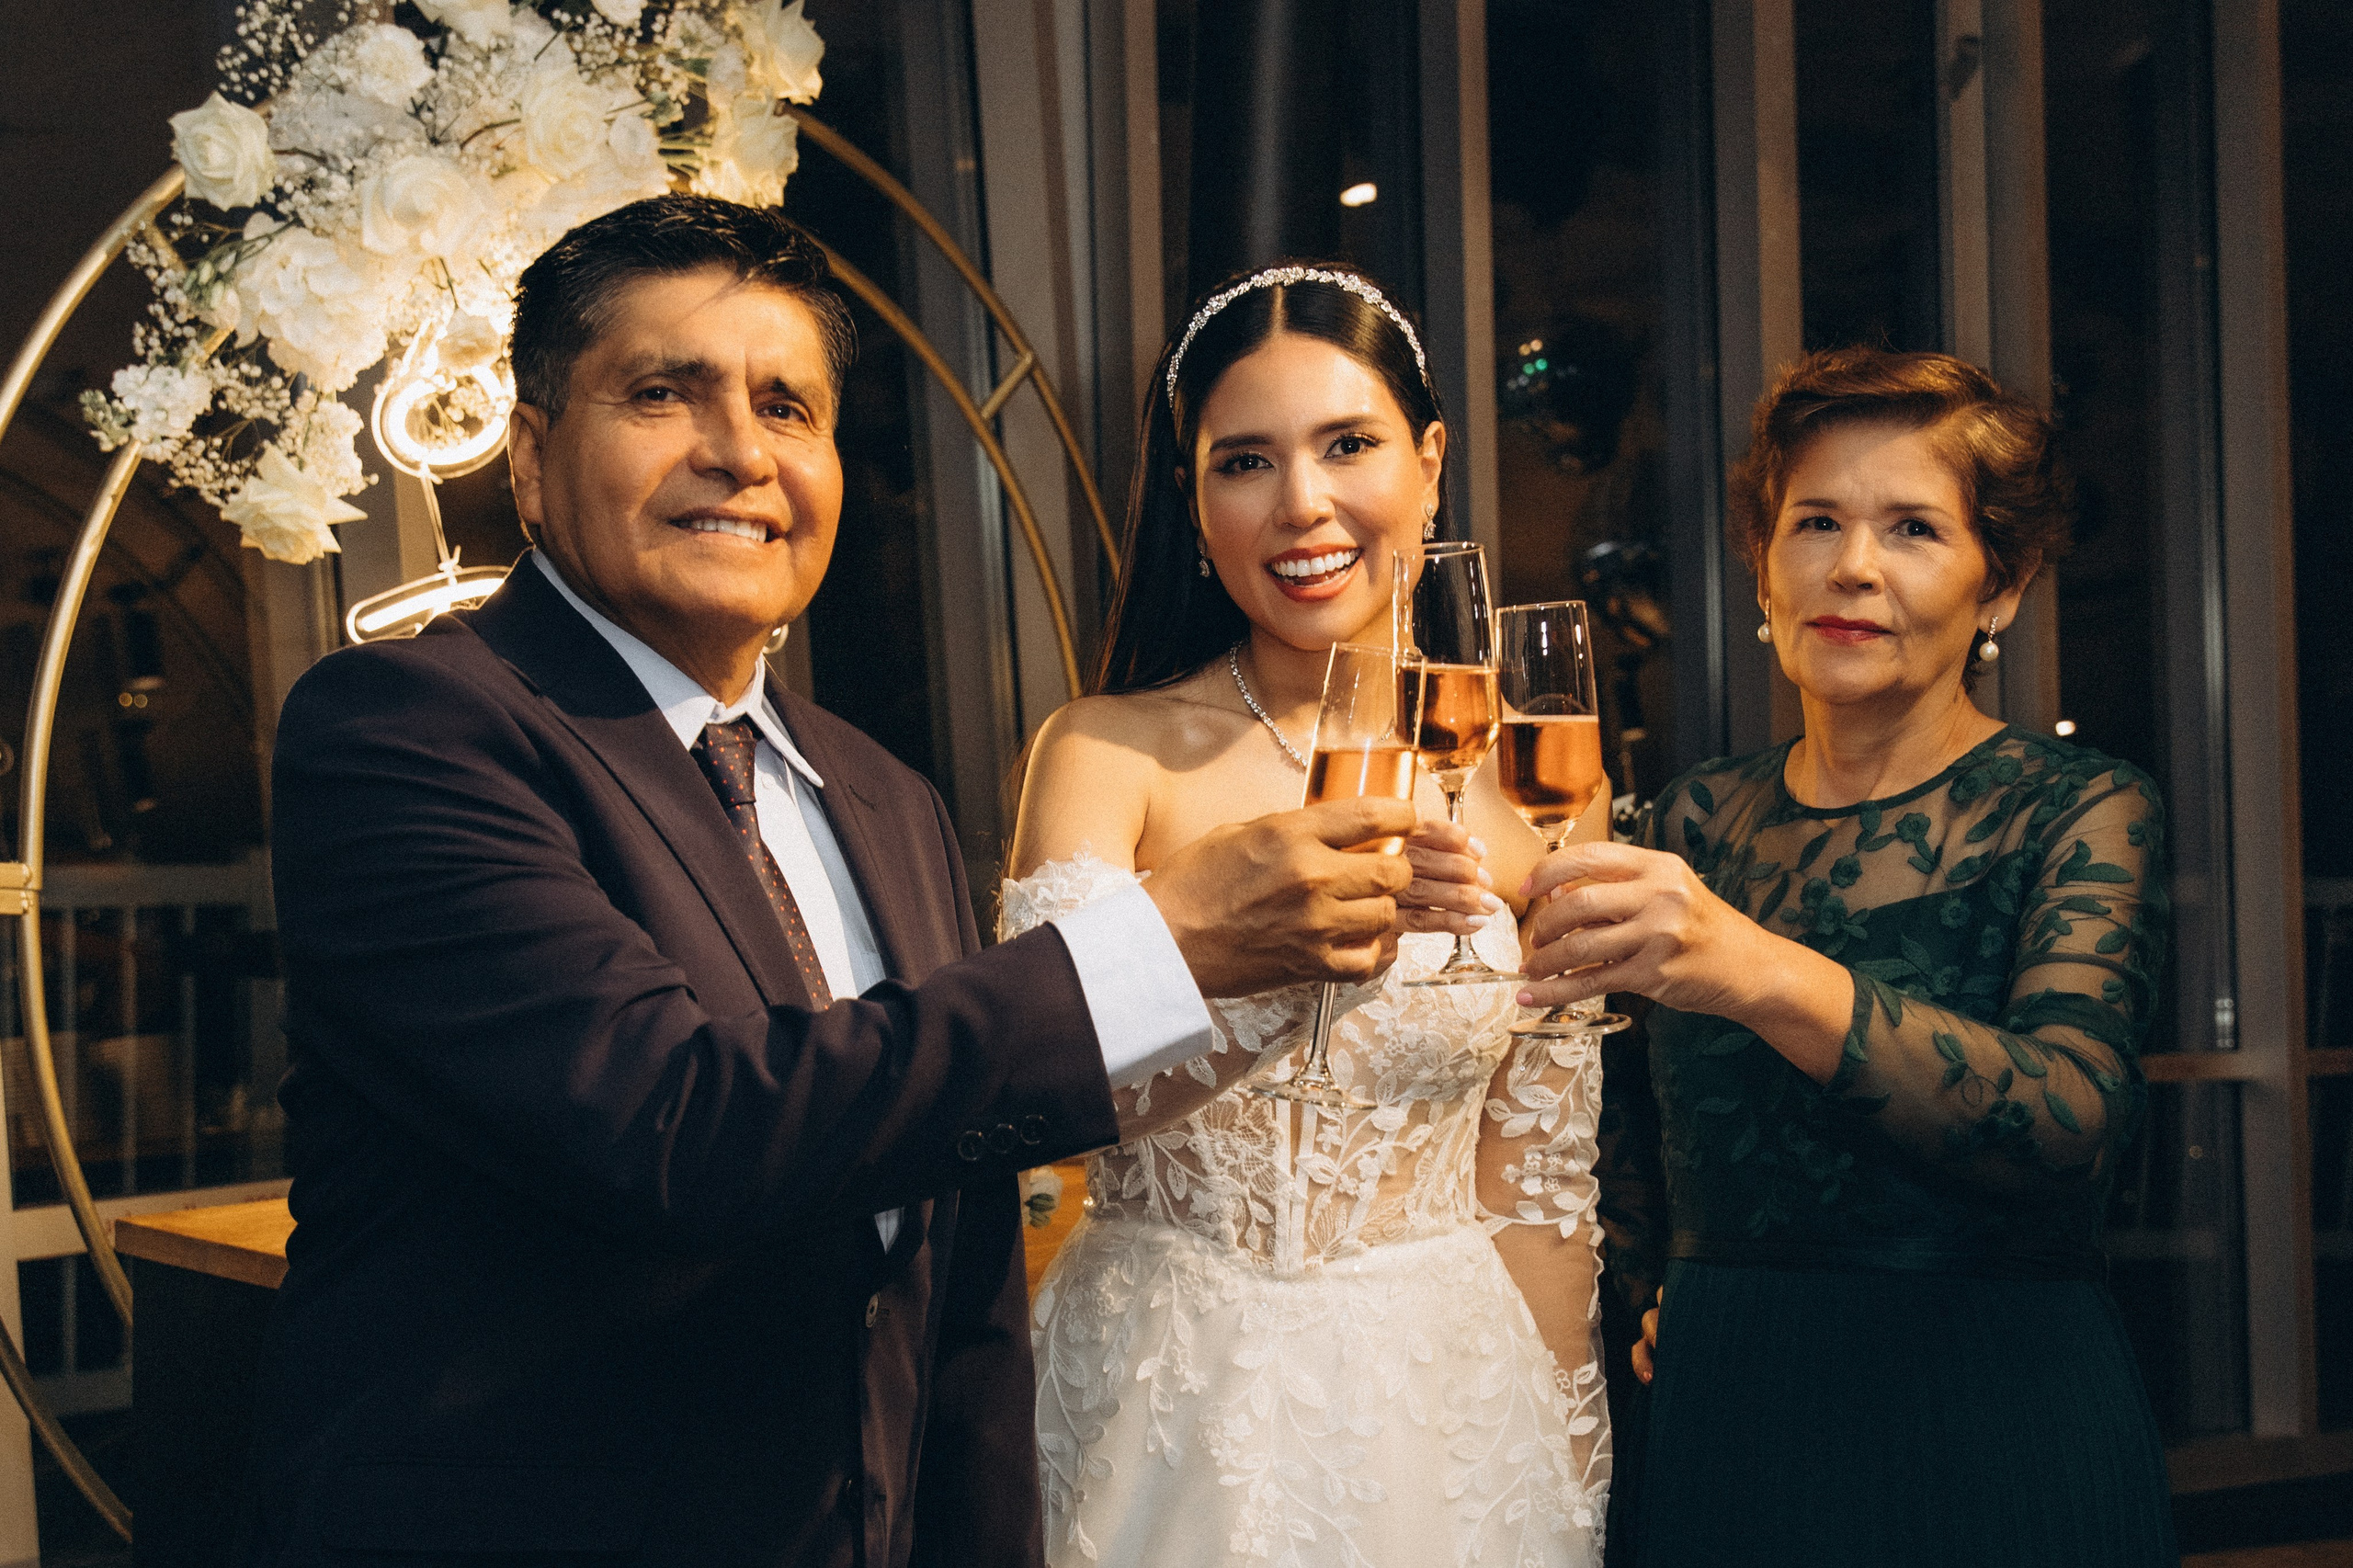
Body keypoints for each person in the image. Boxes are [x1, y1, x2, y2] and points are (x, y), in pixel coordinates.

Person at [239, 199, 1424, 1568]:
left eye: (787, 406)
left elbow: (955, 1266)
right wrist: (1167, 942)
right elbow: (675, 1124)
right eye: (662, 393)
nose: (739, 451)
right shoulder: (406, 729)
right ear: (530, 456)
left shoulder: (882, 795)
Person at [1523, 347, 2176, 1566]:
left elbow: (2070, 1115)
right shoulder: (1692, 822)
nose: (1854, 567)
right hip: (1732, 1426)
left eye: (1914, 528)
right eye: (1815, 521)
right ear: (1764, 570)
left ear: (2005, 586)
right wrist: (1655, 1284)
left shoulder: (2078, 810)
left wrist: (1757, 968)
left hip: (1994, 1418)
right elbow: (1596, 1118)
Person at [1010, 262, 1614, 1568]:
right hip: (1163, 1399)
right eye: (1245, 461)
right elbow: (1040, 1092)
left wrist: (1570, 1480)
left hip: (1449, 1414)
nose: (1303, 505)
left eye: (1349, 444)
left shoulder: (1533, 778)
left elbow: (1544, 1192)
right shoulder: (1105, 753)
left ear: (1432, 461)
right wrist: (1287, 963)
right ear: (1195, 497)